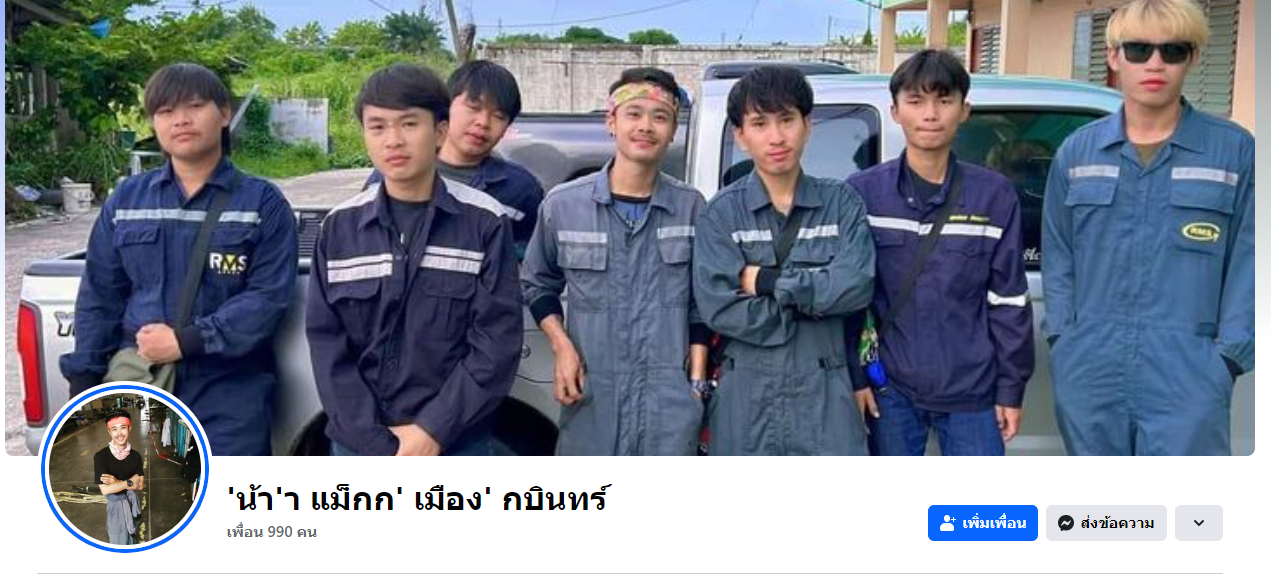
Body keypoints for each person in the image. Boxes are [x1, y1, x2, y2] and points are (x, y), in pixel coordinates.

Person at [1043, 0, 1253, 456]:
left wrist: (1227, 359)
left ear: (1192, 58)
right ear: (1114, 57)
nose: (1155, 63)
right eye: (1139, 49)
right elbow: (1058, 257)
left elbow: (1253, 264)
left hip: (1190, 373)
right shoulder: (1078, 152)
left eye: (1173, 50)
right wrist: (1065, 339)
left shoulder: (1236, 152)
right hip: (1091, 370)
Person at [60, 63, 299, 456]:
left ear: (225, 113)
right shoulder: (127, 201)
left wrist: (187, 341)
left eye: (195, 106)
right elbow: (100, 296)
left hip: (230, 392)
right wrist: (84, 386)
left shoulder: (262, 203)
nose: (181, 120)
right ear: (154, 122)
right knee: (143, 494)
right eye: (166, 111)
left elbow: (267, 297)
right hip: (141, 383)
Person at [306, 64, 522, 456]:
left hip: (456, 442)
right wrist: (374, 441)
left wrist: (432, 431)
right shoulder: (339, 228)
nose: (393, 140)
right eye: (377, 127)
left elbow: (496, 341)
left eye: (409, 124)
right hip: (360, 446)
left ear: (439, 132)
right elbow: (326, 343)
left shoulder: (485, 222)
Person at [846, 49, 1034, 456]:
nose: (930, 114)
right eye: (916, 101)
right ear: (895, 111)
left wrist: (1010, 387)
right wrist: (857, 378)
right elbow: (850, 301)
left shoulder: (993, 196)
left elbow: (1009, 301)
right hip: (889, 390)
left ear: (964, 110)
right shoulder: (862, 194)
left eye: (944, 100)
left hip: (972, 392)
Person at [521, 67, 708, 455]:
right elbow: (537, 283)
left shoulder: (691, 207)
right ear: (612, 121)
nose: (646, 127)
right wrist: (561, 346)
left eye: (660, 117)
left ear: (673, 131)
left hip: (669, 405)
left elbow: (701, 302)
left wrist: (696, 380)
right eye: (633, 113)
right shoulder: (563, 205)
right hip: (592, 400)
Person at [693, 65, 875, 455]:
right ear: (741, 136)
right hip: (746, 395)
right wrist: (814, 304)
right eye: (760, 124)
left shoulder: (841, 203)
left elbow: (856, 287)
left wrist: (769, 283)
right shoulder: (721, 214)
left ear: (807, 126)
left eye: (787, 120)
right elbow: (719, 307)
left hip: (826, 389)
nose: (776, 137)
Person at [365, 60, 544, 259]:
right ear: (447, 107)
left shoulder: (521, 190)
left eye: (499, 116)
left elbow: (529, 263)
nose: (483, 122)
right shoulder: (393, 173)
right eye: (473, 107)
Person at [95, 410, 144, 545]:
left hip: (132, 504)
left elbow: (140, 485)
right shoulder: (101, 457)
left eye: (123, 427)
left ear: (129, 428)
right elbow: (105, 490)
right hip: (115, 507)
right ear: (109, 432)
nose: (119, 433)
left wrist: (117, 482)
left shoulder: (135, 456)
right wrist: (131, 481)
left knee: (133, 535)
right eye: (114, 429)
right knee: (118, 540)